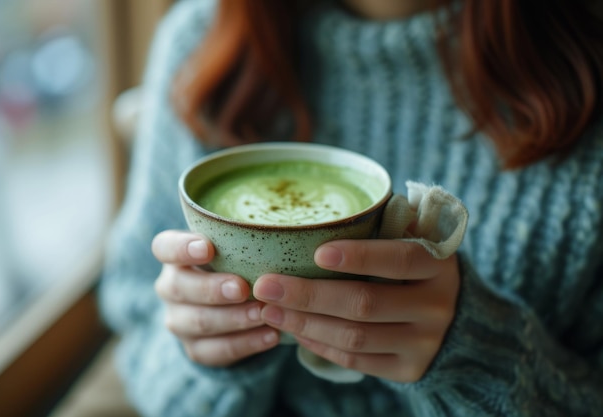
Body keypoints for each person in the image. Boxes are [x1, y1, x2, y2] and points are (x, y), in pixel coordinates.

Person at [98, 0, 603, 416]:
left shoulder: (586, 71)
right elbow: (137, 321)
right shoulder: (200, 42)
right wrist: (203, 354)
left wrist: (480, 356)